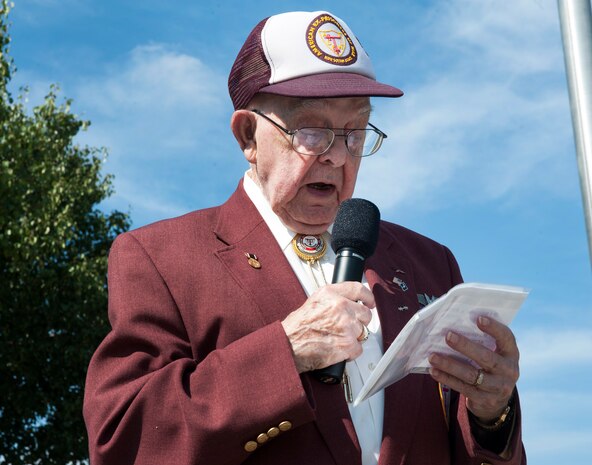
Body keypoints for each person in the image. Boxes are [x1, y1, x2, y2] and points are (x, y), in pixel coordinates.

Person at [83, 10, 525, 465]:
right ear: (247, 134)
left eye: (355, 133)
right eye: (312, 131)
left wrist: (492, 414)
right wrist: (284, 352)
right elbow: (123, 439)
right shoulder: (163, 257)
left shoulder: (430, 263)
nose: (337, 155)